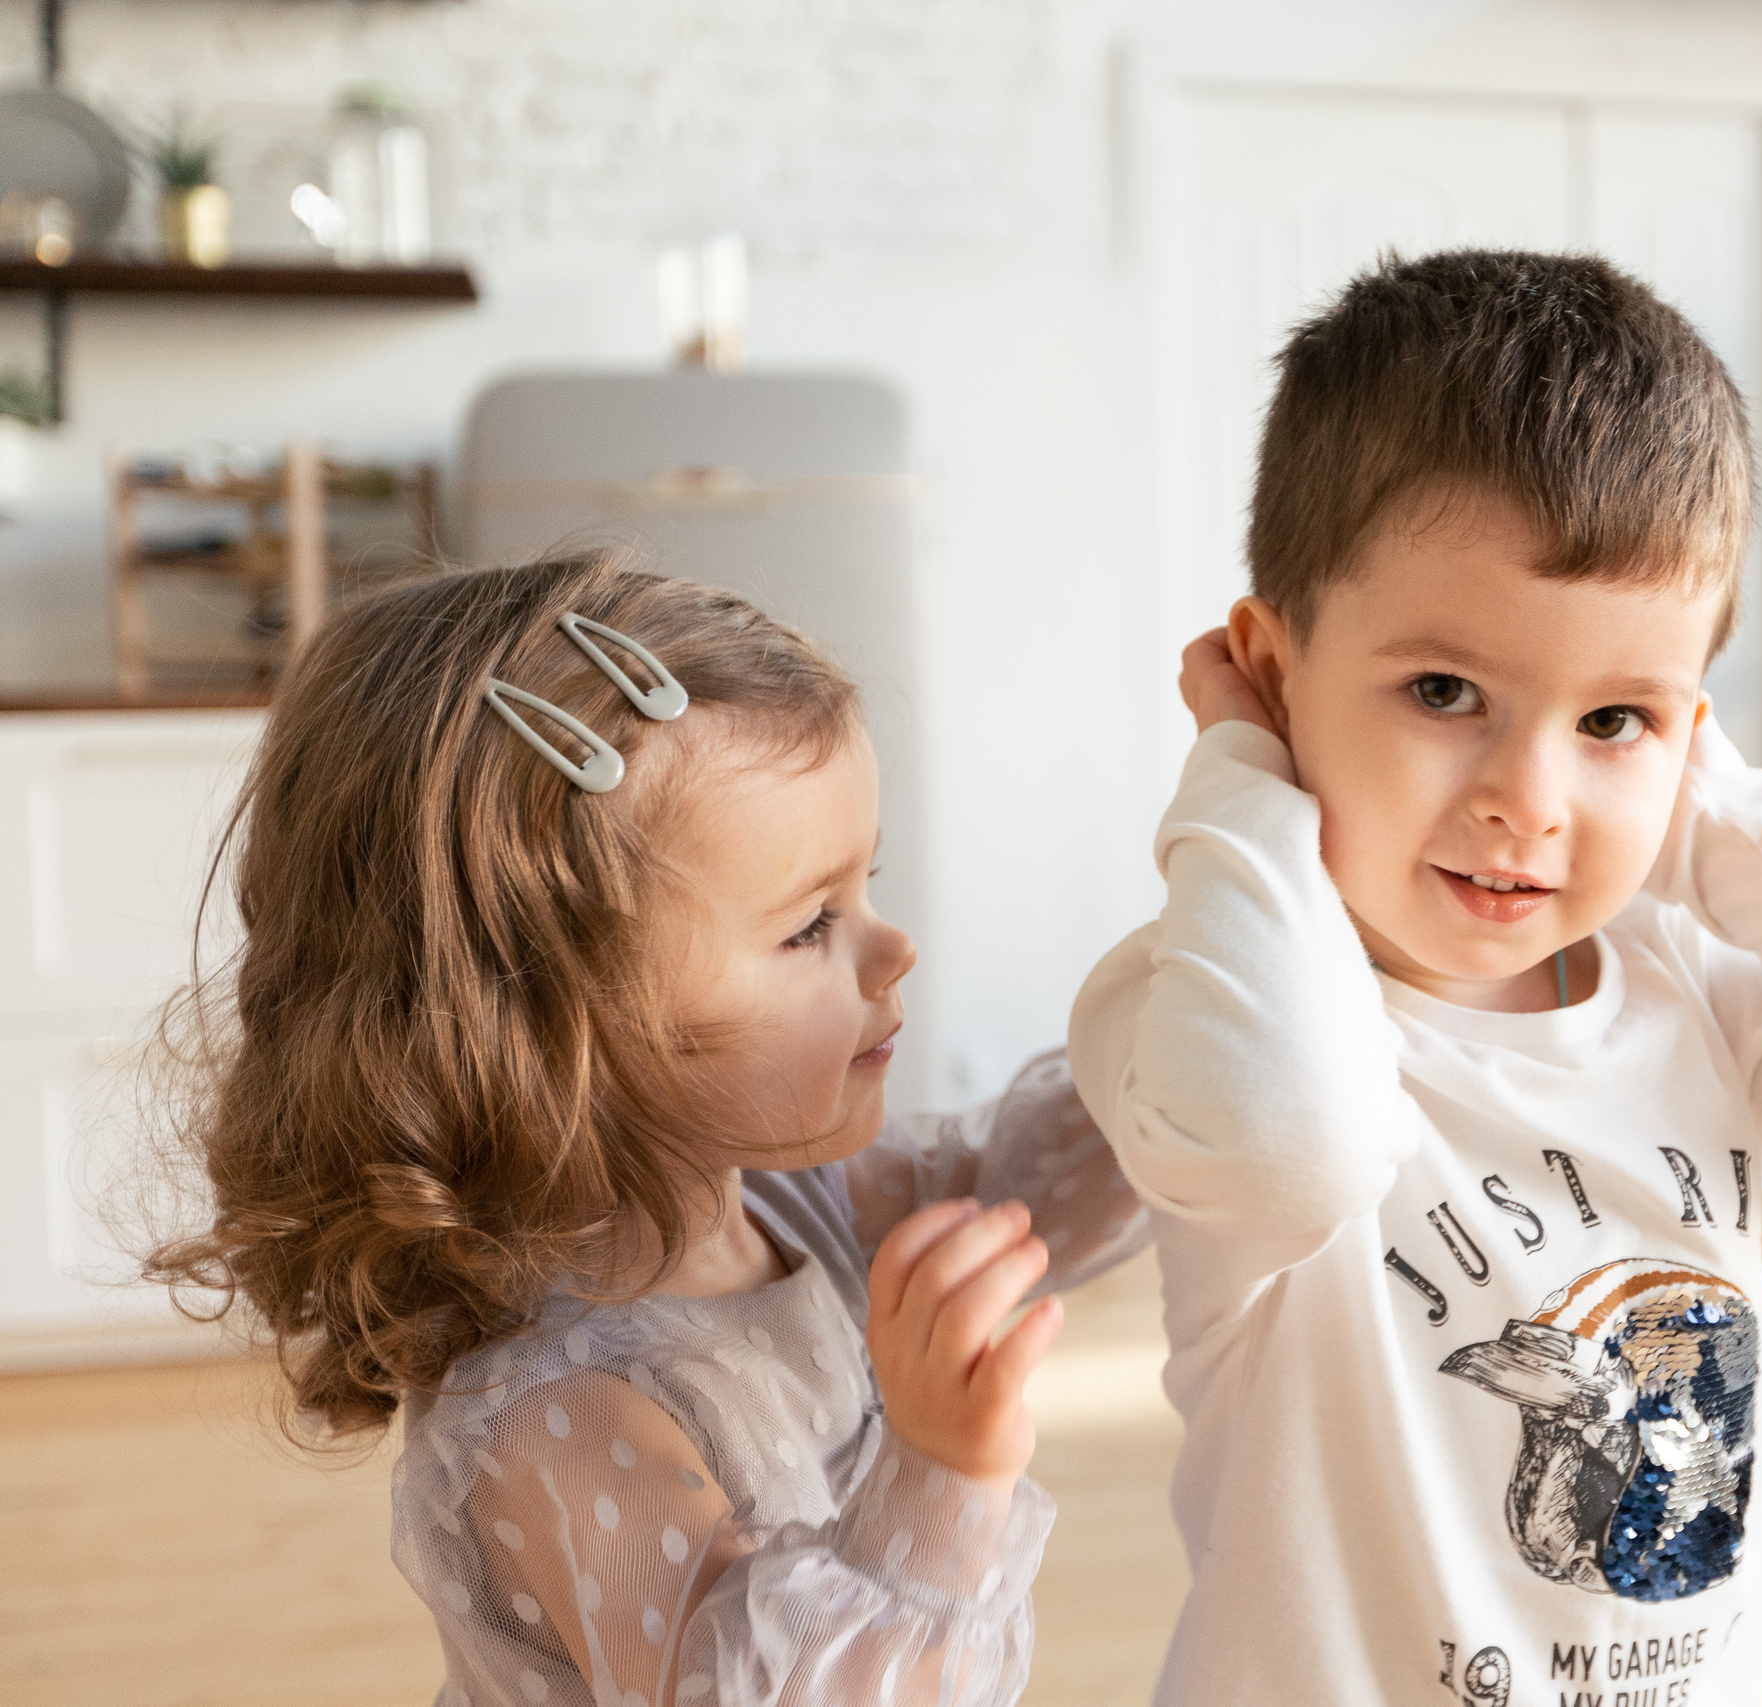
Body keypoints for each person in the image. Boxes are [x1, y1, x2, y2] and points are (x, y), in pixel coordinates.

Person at [1068, 250, 1762, 1705]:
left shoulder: (1686, 998)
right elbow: (1290, 1143)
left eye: (1614, 716)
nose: (1528, 797)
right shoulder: (1185, 1005)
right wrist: (1243, 774)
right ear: (1272, 667)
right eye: (1444, 692)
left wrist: (1719, 824)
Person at [147, 554, 1144, 1707]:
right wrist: (940, 1478)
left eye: (867, 883)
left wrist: (1211, 1013)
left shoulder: (784, 1201)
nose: (893, 947)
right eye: (809, 924)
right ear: (553, 1021)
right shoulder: (562, 1415)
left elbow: (1025, 1183)